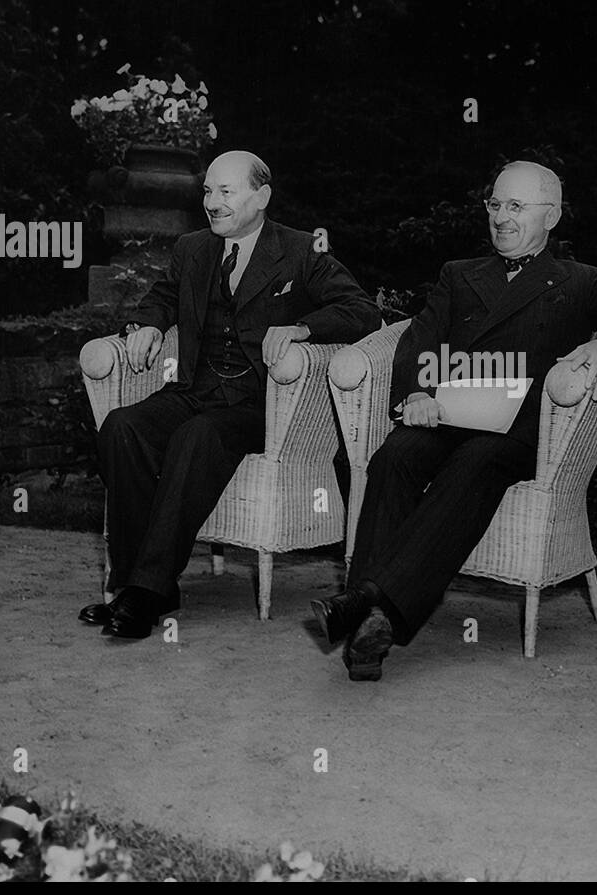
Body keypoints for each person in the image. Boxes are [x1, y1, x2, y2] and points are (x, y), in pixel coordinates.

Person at [309, 159, 597, 680]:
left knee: (477, 462)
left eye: (516, 206)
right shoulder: (459, 274)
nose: (501, 217)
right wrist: (416, 393)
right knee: (396, 455)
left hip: (517, 434)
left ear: (552, 216)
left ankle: (364, 604)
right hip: (450, 414)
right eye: (495, 204)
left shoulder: (579, 280)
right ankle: (372, 624)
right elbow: (419, 338)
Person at [85, 150, 381, 639]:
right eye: (207, 191)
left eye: (226, 192)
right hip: (196, 388)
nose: (212, 203)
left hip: (261, 404)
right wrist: (146, 325)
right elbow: (161, 295)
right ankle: (133, 583)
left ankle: (147, 591)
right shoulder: (192, 248)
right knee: (123, 426)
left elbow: (362, 311)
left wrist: (303, 328)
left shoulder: (303, 250)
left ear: (261, 196)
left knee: (197, 436)